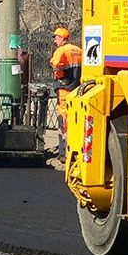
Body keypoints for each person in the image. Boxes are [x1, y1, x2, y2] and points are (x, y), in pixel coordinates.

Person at [49, 27, 82, 160]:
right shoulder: (79, 50)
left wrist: (60, 77)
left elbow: (56, 65)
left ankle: (64, 153)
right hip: (76, 88)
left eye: (56, 38)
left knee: (63, 120)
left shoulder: (61, 50)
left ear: (62, 38)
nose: (55, 41)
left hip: (64, 89)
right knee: (75, 118)